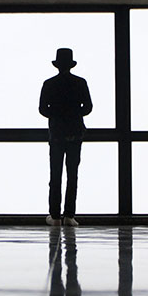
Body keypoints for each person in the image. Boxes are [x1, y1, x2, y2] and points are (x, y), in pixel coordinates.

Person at [39, 48, 93, 227]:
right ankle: (69, 215)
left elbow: (42, 109)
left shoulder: (49, 84)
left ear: (57, 65)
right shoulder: (80, 82)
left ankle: (54, 216)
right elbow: (88, 107)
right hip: (75, 132)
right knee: (72, 174)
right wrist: (74, 113)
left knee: (55, 174)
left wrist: (56, 115)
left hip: (56, 133)